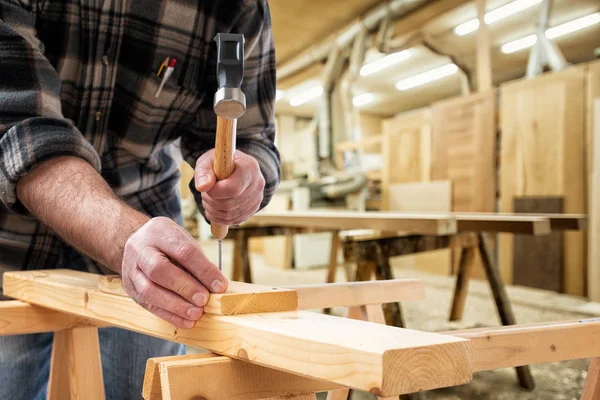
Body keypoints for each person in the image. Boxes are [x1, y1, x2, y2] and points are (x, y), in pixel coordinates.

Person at [0, 1, 280, 399]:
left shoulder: (235, 7)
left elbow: (253, 135)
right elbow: (14, 125)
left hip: (147, 242)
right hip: (11, 237)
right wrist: (124, 235)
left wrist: (248, 176)